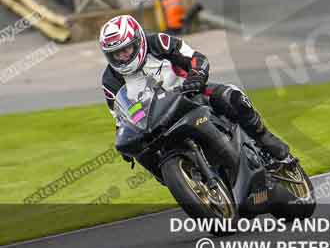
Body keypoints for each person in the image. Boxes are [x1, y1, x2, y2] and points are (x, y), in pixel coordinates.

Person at [100, 14, 290, 172]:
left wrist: (196, 75)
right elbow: (121, 117)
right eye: (116, 54)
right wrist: (125, 139)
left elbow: (195, 58)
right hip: (155, 122)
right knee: (139, 151)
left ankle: (264, 138)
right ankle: (180, 179)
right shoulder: (110, 80)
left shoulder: (158, 43)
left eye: (126, 50)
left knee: (230, 96)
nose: (122, 57)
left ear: (138, 40)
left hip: (189, 95)